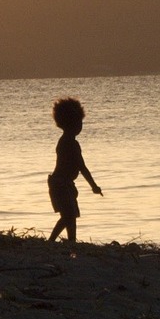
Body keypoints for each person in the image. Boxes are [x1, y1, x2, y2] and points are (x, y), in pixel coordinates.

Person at [46, 97, 102, 244]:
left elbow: (80, 166)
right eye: (79, 123)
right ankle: (52, 241)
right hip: (61, 184)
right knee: (68, 215)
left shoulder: (67, 141)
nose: (81, 126)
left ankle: (71, 242)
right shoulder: (69, 143)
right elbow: (82, 167)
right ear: (72, 124)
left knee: (71, 215)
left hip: (66, 184)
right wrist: (94, 186)